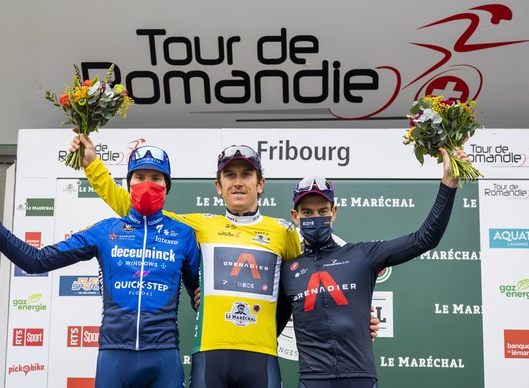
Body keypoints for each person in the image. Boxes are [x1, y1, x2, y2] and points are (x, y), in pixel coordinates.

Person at [70, 136, 379, 388]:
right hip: (210, 356)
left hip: (262, 357)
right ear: (218, 186)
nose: (238, 182)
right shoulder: (198, 226)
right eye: (229, 175)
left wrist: (358, 312)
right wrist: (92, 166)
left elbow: (324, 269)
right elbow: (132, 206)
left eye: (246, 174)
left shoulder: (282, 231)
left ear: (260, 183)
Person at [0, 146, 200, 388]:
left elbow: (199, 297)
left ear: (166, 187)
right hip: (114, 358)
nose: (147, 184)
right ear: (129, 184)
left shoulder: (184, 235)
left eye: (156, 178)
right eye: (140, 177)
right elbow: (35, 260)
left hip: (164, 356)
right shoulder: (106, 231)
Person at [277, 147, 469, 388]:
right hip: (313, 381)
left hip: (361, 379)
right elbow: (267, 332)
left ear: (334, 212)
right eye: (307, 212)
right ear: (295, 216)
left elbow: (424, 239)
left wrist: (448, 185)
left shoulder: (362, 255)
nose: (315, 217)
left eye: (322, 211)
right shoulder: (288, 271)